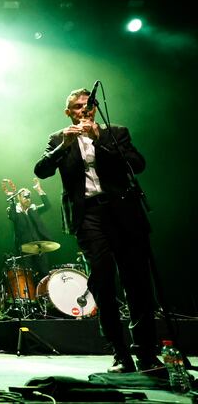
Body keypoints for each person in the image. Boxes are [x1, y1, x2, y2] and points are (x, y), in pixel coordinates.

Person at [34, 87, 161, 373]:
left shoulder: (116, 132)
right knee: (103, 280)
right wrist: (62, 147)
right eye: (78, 106)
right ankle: (119, 354)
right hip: (88, 215)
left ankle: (147, 353)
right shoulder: (58, 138)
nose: (84, 110)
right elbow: (41, 171)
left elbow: (137, 164)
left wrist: (100, 139)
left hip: (124, 212)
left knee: (138, 282)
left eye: (88, 105)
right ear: (69, 112)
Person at [1, 177, 54, 277]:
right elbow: (12, 217)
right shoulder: (14, 210)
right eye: (25, 197)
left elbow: (47, 205)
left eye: (29, 197)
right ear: (19, 198)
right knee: (28, 276)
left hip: (39, 248)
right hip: (25, 250)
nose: (28, 199)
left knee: (45, 274)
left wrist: (39, 189)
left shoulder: (33, 209)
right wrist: (11, 199)